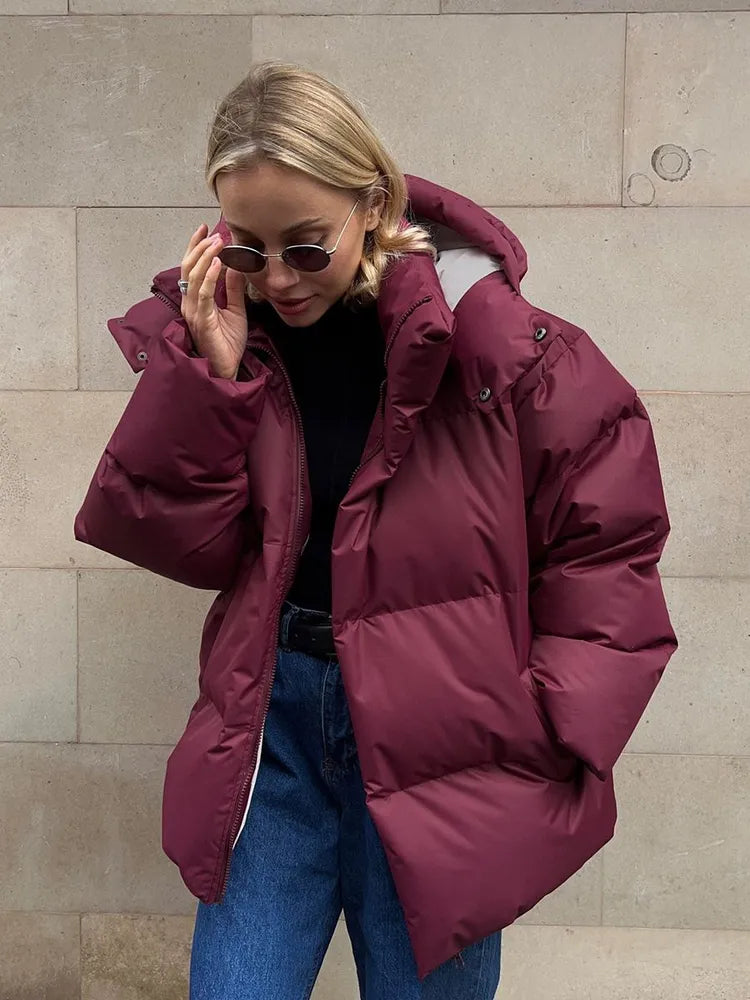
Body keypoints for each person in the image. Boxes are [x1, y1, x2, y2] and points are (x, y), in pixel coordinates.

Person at [73, 61, 678, 999]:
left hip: (447, 740)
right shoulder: (231, 338)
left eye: (308, 247)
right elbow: (177, 544)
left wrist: (546, 726)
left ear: (373, 203)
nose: (278, 278)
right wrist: (212, 385)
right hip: (275, 729)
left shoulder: (502, 350)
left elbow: (610, 547)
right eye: (247, 248)